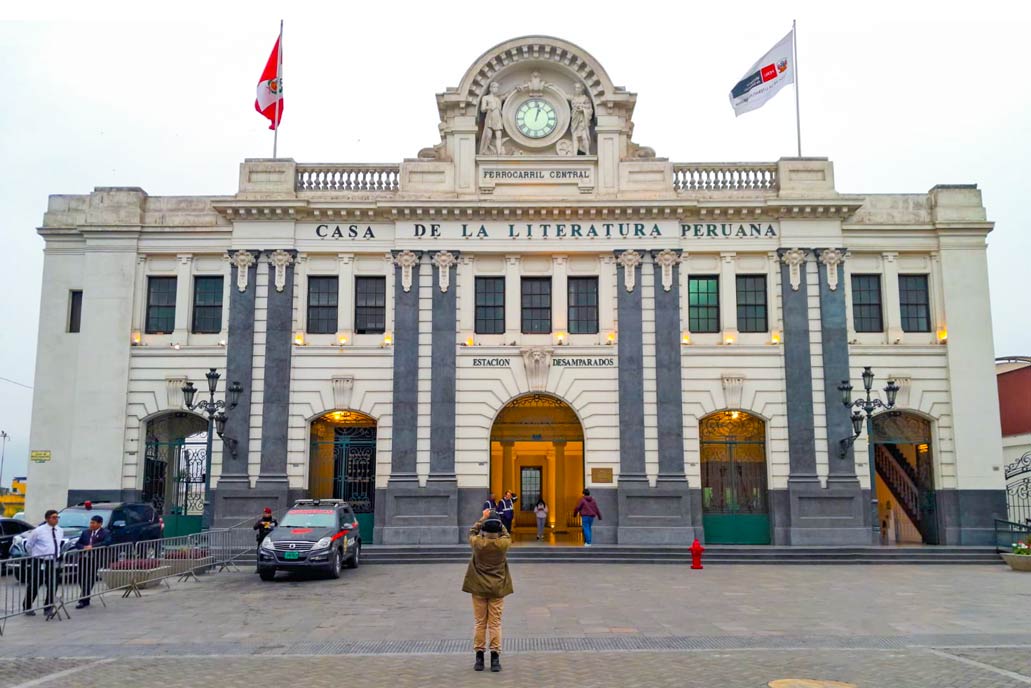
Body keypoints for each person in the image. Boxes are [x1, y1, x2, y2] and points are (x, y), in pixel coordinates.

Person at [462, 509, 513, 673]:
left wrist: (482, 518)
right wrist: (498, 521)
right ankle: (495, 658)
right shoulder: (503, 544)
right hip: (497, 588)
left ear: (484, 529)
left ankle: (479, 658)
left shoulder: (478, 543)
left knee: (479, 623)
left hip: (478, 588)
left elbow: (471, 531)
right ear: (498, 529)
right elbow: (506, 533)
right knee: (495, 623)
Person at [23, 509, 63, 617]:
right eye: (54, 517)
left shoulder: (59, 530)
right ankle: (27, 606)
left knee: (53, 584)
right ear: (47, 519)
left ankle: (48, 607)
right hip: (40, 560)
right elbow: (28, 545)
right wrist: (35, 555)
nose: (56, 519)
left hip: (53, 560)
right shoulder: (38, 531)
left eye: (57, 517)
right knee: (36, 583)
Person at [73, 514, 111, 608]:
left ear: (100, 524)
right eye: (90, 522)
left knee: (90, 578)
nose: (91, 524)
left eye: (93, 523)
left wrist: (93, 547)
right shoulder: (86, 532)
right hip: (84, 558)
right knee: (81, 578)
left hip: (95, 559)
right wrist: (83, 547)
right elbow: (78, 543)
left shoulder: (105, 532)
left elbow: (107, 542)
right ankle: (86, 596)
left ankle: (83, 599)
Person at [253, 507, 278, 572]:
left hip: (270, 540)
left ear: (270, 514)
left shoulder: (273, 520)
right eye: (264, 513)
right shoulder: (261, 520)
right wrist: (260, 524)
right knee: (259, 553)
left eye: (267, 513)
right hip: (261, 539)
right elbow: (254, 527)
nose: (265, 514)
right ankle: (258, 568)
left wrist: (268, 524)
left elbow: (277, 528)